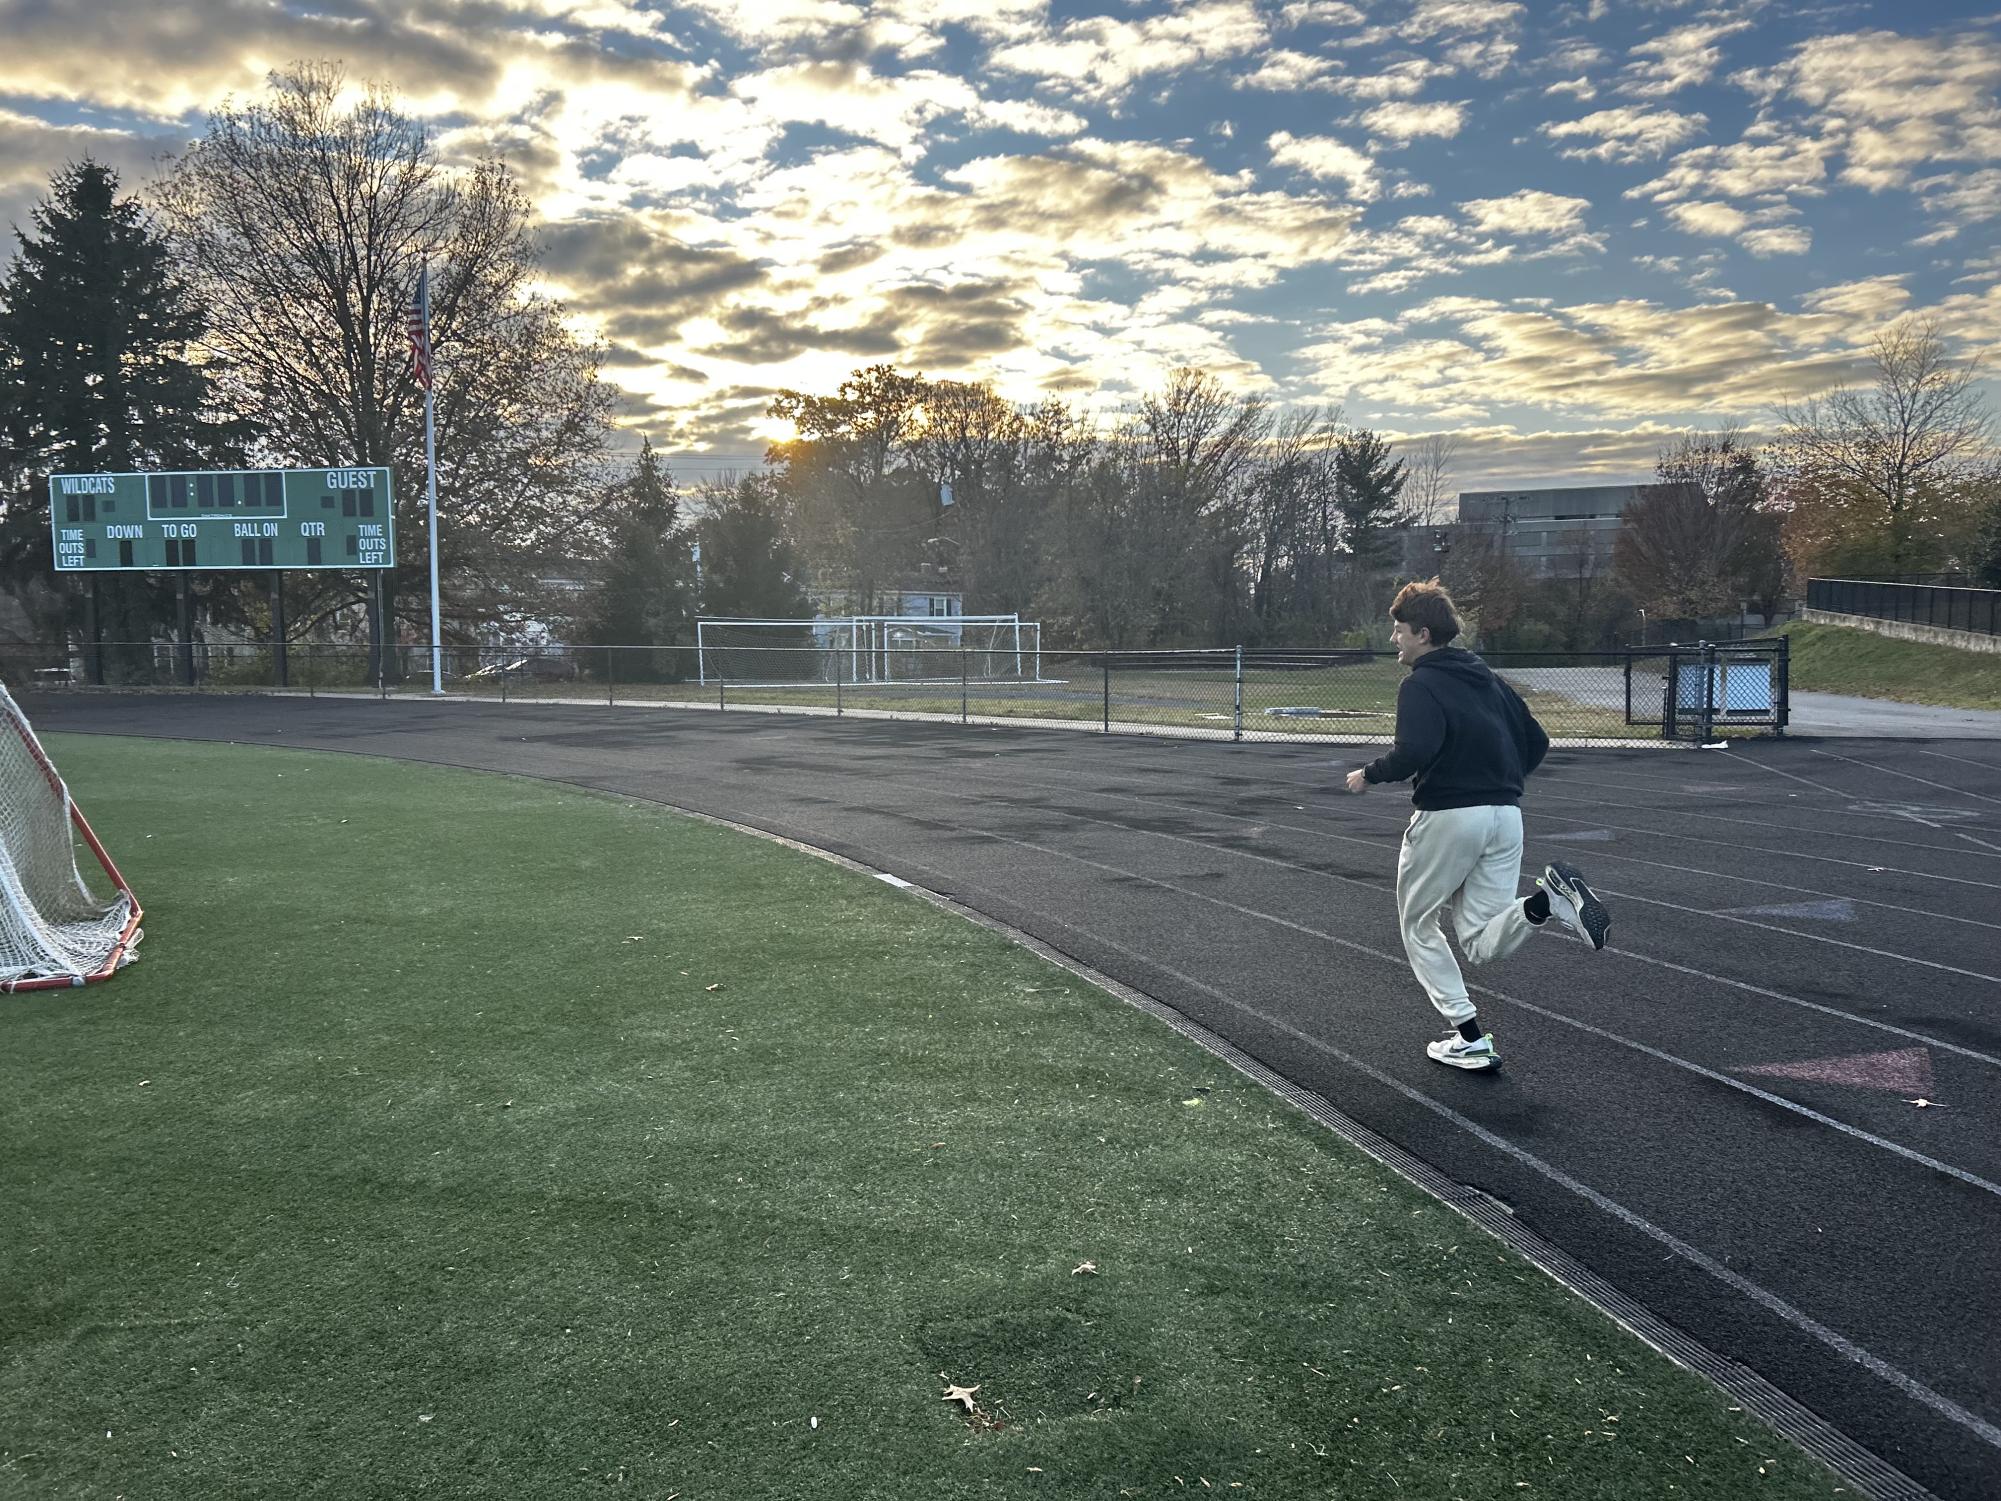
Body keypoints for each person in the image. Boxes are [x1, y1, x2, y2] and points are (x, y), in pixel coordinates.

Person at [1342, 579, 1610, 1071]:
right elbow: (1538, 741)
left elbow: (1414, 753)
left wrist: (1368, 775)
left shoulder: (1420, 684)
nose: (1393, 640)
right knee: (1480, 942)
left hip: (1448, 817)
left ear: (1422, 633)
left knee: (1418, 924)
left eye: (1398, 630)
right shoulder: (1488, 679)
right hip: (1506, 818)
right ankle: (1544, 902)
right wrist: (1498, 779)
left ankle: (1465, 1034)